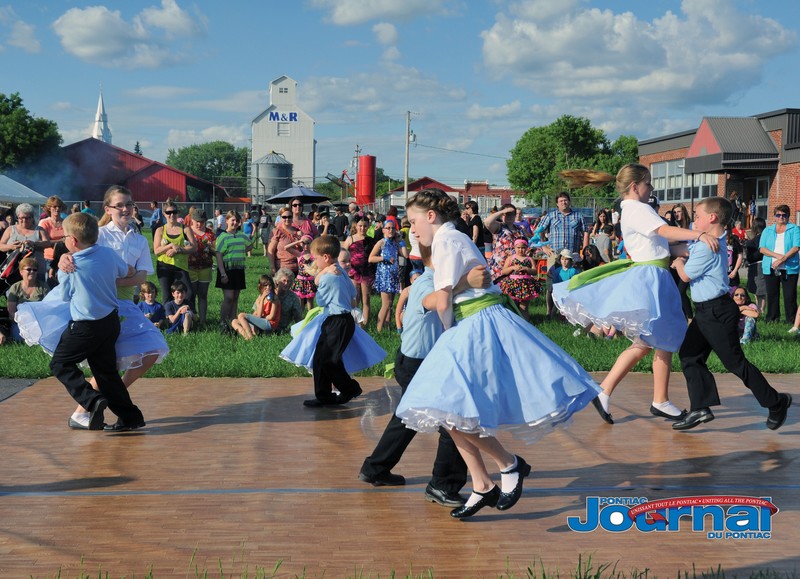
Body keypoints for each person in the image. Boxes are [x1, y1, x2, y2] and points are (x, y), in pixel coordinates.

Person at [395, 189, 601, 519]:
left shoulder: (448, 240)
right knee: (447, 412)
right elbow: (443, 292)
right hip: (472, 322)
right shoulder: (448, 239)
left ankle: (508, 465)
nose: (412, 228)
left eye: (414, 221)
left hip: (475, 324)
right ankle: (482, 483)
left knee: (448, 408)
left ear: (431, 216)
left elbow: (443, 299)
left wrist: (449, 340)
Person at [552, 165, 720, 425]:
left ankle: (618, 393)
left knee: (653, 341)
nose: (651, 189)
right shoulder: (638, 209)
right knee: (660, 338)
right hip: (652, 280)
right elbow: (664, 233)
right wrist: (699, 234)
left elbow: (662, 246)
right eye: (649, 184)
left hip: (654, 276)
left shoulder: (631, 210)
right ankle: (650, 398)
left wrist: (692, 247)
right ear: (635, 186)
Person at [17, 186, 169, 429]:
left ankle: (96, 403)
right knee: (106, 369)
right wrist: (66, 257)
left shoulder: (138, 239)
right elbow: (80, 249)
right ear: (107, 209)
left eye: (129, 204)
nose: (126, 208)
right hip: (104, 312)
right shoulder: (97, 234)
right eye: (120, 205)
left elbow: (137, 276)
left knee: (74, 364)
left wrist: (94, 274)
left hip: (106, 310)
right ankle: (106, 412)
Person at [359, 244, 491, 504]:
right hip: (418, 364)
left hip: (416, 362)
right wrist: (467, 282)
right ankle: (443, 484)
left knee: (408, 418)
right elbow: (435, 301)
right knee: (454, 420)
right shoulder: (427, 282)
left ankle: (376, 468)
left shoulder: (437, 281)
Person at [671, 197, 791, 431]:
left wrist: (677, 263)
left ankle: (776, 402)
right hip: (706, 311)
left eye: (697, 216)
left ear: (712, 218)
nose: (694, 220)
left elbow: (685, 276)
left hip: (717, 311)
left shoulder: (708, 245)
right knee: (689, 355)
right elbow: (682, 246)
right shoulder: (712, 239)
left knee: (735, 363)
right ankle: (700, 408)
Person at [48, 212, 145, 432]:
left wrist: (62, 266)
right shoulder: (109, 254)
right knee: (106, 373)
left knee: (59, 364)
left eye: (64, 237)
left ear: (72, 241)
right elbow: (126, 270)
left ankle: (91, 400)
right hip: (110, 323)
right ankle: (130, 418)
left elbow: (64, 295)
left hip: (85, 326)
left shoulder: (70, 268)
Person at [280, 235, 386, 407]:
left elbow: (320, 300)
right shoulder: (341, 271)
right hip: (336, 320)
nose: (314, 261)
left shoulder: (329, 276)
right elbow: (353, 294)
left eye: (316, 258)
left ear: (326, 257)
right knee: (320, 359)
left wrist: (320, 275)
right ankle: (324, 396)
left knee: (329, 360)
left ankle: (350, 388)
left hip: (338, 321)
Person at [759, 204, 799, 323]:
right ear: (774, 217)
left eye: (784, 215)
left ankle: (792, 320)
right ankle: (772, 318)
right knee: (772, 294)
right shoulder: (767, 230)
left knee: (789, 296)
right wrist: (777, 256)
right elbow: (762, 249)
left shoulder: (795, 229)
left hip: (789, 267)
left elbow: (796, 247)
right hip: (770, 267)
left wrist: (782, 260)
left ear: (788, 216)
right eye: (778, 215)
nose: (781, 217)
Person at [215, 210, 253, 332]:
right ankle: (223, 320)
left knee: (236, 297)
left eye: (237, 220)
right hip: (227, 270)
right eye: (232, 220)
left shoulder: (241, 235)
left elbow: (250, 245)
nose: (235, 222)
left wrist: (242, 249)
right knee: (229, 297)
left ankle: (232, 320)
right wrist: (222, 273)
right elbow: (218, 255)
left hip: (238, 269)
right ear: (226, 221)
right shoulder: (223, 236)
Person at [153, 200, 196, 308]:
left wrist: (179, 249)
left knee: (188, 292)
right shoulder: (160, 230)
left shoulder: (185, 229)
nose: (172, 215)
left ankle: (188, 317)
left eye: (174, 212)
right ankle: (169, 320)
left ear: (178, 213)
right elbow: (156, 250)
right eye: (168, 213)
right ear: (164, 214)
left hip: (180, 267)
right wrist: (170, 245)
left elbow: (194, 247)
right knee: (167, 295)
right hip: (164, 266)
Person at [369, 220, 408, 332]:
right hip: (384, 276)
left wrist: (401, 241)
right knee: (386, 304)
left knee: (390, 304)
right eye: (388, 228)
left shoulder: (395, 243)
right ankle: (378, 329)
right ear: (383, 230)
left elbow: (405, 255)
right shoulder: (382, 242)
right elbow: (371, 258)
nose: (391, 230)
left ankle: (386, 327)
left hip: (393, 275)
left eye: (393, 228)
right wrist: (384, 258)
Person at [0, 203, 49, 284]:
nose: (24, 220)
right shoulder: (10, 229)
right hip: (14, 271)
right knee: (14, 293)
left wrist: (34, 244)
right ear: (17, 218)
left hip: (36, 270)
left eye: (27, 218)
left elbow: (47, 243)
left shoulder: (39, 230)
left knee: (37, 294)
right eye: (21, 218)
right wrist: (12, 246)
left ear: (32, 217)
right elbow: (1, 246)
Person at [5, 257, 48, 342]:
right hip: (20, 323)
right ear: (21, 272)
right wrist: (24, 321)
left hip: (39, 322)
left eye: (34, 270)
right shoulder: (15, 287)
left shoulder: (43, 287)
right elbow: (11, 312)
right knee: (19, 340)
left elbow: (48, 307)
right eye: (29, 269)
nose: (32, 271)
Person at [342, 217, 375, 326]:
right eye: (360, 226)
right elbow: (343, 254)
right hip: (353, 272)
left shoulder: (370, 240)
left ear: (368, 226)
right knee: (354, 299)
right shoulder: (350, 238)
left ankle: (365, 324)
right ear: (356, 226)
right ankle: (354, 323)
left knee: (366, 300)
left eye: (365, 226)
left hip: (366, 272)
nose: (362, 228)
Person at [484, 204, 527, 282]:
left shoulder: (520, 229)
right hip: (500, 265)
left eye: (511, 214)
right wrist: (503, 211)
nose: (509, 216)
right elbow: (487, 222)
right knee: (499, 291)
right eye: (506, 215)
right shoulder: (499, 226)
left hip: (515, 265)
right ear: (502, 216)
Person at [187, 207, 215, 327]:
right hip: (190, 267)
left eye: (202, 222)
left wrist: (210, 247)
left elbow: (216, 252)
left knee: (203, 294)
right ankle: (192, 319)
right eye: (197, 221)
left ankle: (203, 320)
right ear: (192, 220)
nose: (199, 224)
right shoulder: (187, 232)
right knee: (191, 294)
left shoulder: (210, 234)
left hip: (205, 267)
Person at [499, 238, 538, 321]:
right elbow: (504, 271)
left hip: (525, 285)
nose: (520, 250)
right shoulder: (511, 258)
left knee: (524, 306)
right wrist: (513, 267)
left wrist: (527, 269)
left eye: (523, 248)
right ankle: (514, 323)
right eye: (518, 247)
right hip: (513, 284)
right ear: (515, 247)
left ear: (527, 248)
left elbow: (535, 271)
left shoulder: (529, 259)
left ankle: (525, 323)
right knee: (513, 305)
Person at [232, 274, 281, 340]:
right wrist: (262, 299)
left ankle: (250, 337)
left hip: (270, 324)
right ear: (260, 286)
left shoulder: (274, 299)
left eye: (270, 285)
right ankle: (246, 336)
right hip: (261, 322)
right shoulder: (259, 298)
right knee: (234, 321)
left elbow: (270, 317)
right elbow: (259, 314)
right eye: (265, 285)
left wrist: (258, 318)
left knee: (241, 315)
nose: (268, 288)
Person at [37, 196, 67, 288]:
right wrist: (61, 240)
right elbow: (45, 242)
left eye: (59, 206)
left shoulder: (66, 222)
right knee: (48, 285)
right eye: (54, 206)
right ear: (49, 208)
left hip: (64, 257)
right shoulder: (44, 223)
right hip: (48, 258)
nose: (57, 209)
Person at [285, 235, 317, 312]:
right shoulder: (299, 255)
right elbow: (286, 248)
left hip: (310, 281)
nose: (306, 246)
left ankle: (310, 318)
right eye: (304, 243)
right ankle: (300, 319)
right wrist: (299, 241)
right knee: (300, 302)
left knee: (310, 303)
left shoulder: (314, 256)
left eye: (308, 243)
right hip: (300, 281)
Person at [268, 207, 302, 275]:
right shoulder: (277, 231)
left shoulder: (298, 231)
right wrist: (272, 267)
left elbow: (304, 249)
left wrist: (301, 237)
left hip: (299, 268)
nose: (287, 219)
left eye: (289, 217)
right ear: (280, 218)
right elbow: (271, 250)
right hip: (283, 269)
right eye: (284, 217)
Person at [745, 217, 767, 314]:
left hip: (758, 266)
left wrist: (749, 258)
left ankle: (760, 310)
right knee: (759, 291)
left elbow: (758, 254)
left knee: (760, 291)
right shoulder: (765, 237)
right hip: (761, 265)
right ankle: (760, 309)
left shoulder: (757, 239)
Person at [273, 267, 303, 334]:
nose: (286, 283)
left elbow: (298, 317)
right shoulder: (270, 293)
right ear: (277, 281)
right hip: (266, 324)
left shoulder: (293, 297)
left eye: (289, 281)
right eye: (284, 281)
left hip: (280, 329)